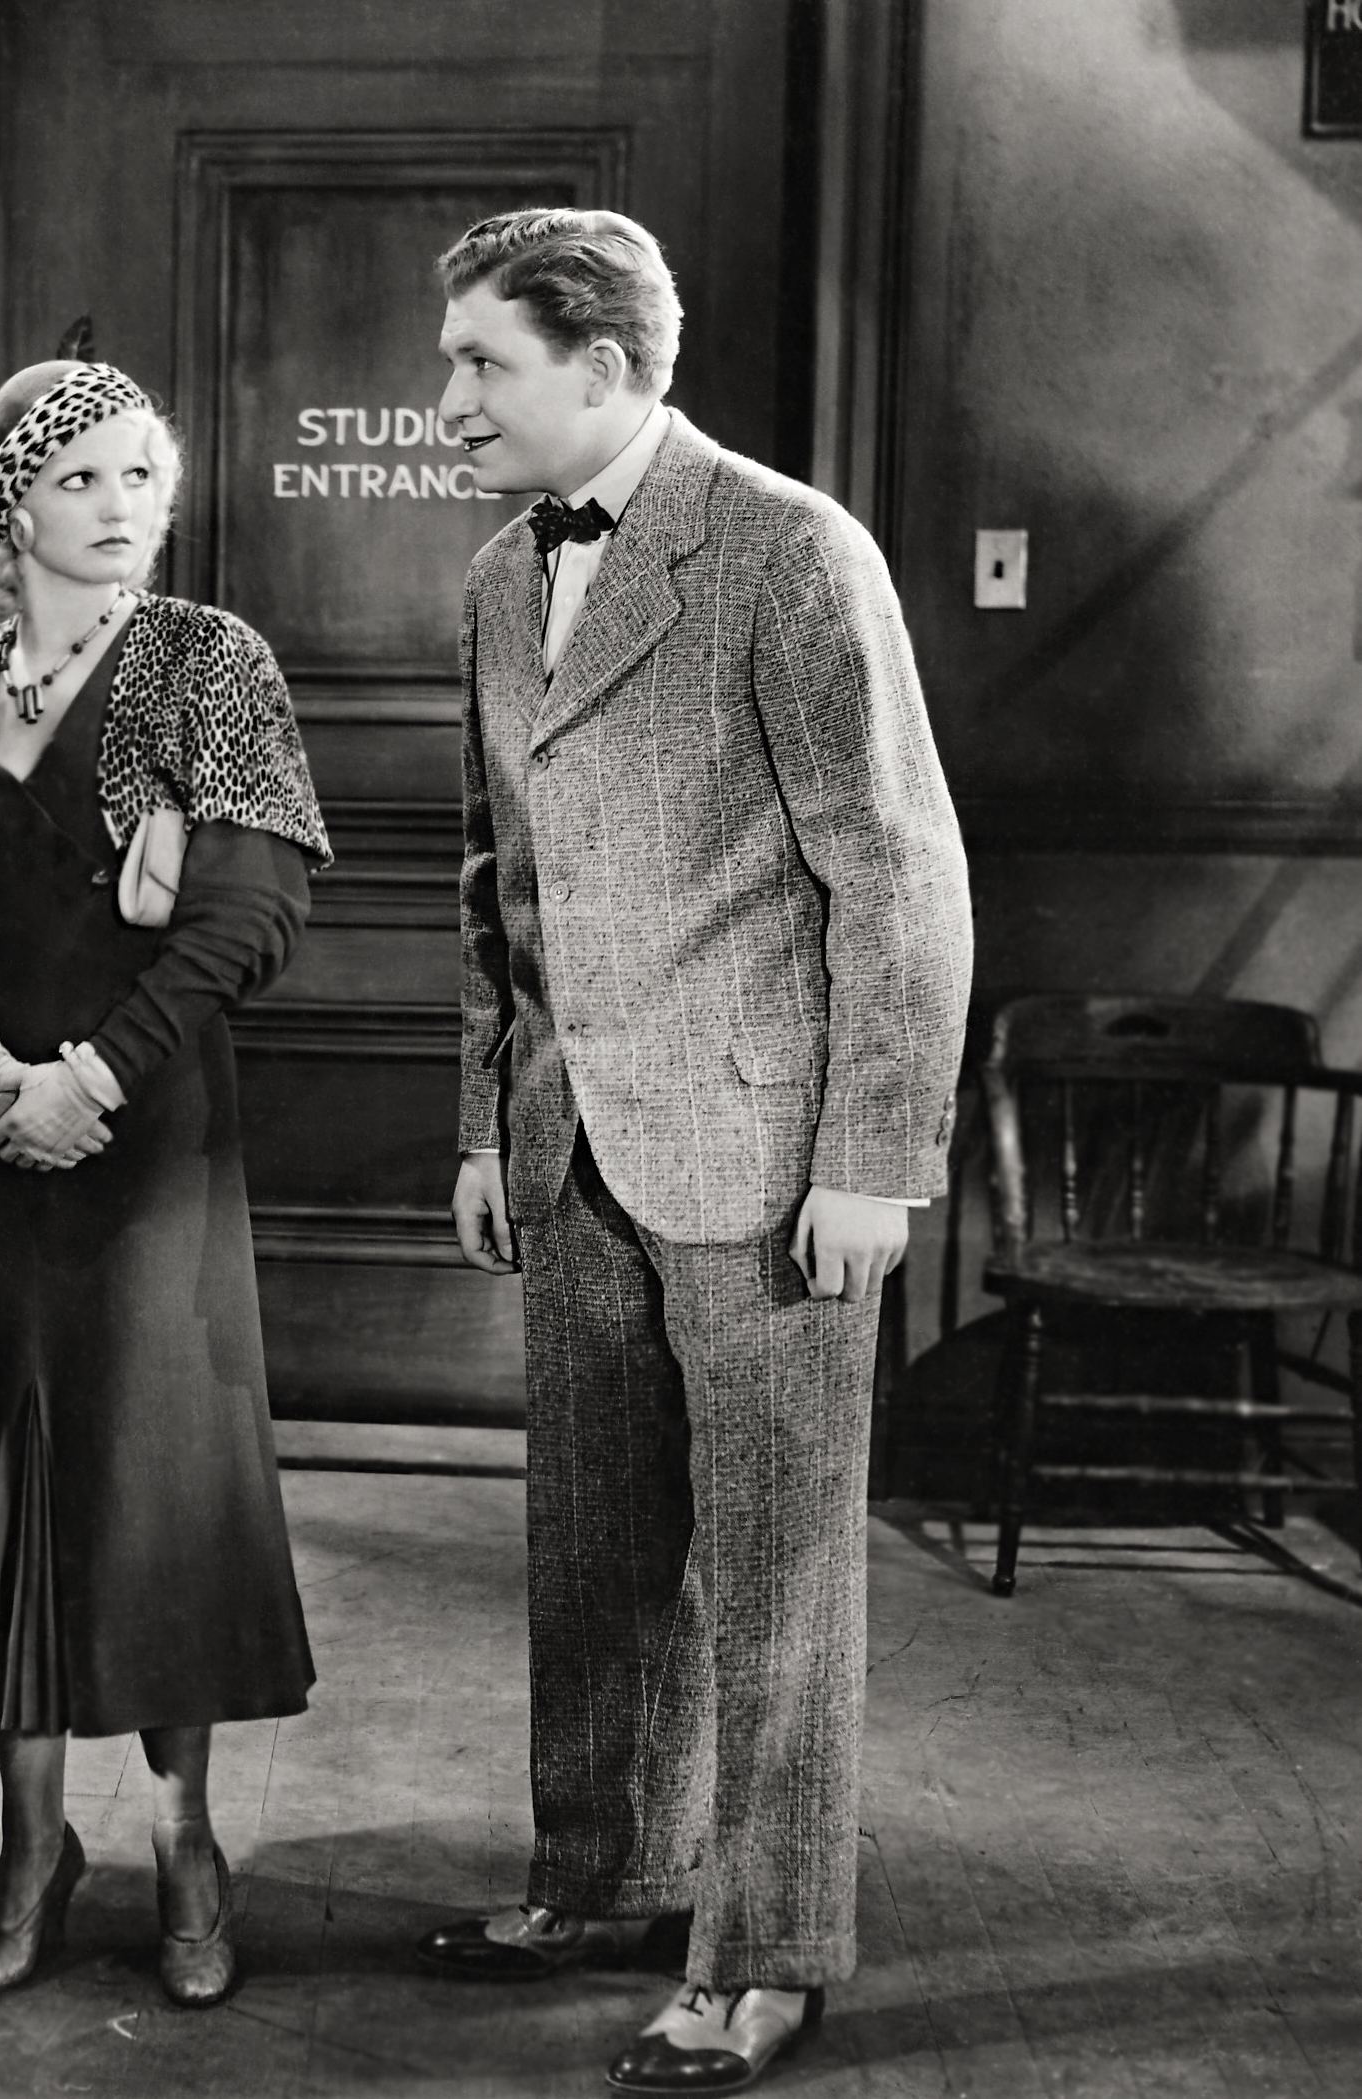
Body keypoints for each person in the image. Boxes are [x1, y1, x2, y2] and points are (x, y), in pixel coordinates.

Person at [426, 208, 971, 2093]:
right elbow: (492, 885)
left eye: (479, 362)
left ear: (598, 365)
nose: (447, 400)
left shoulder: (788, 547)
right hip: (568, 1145)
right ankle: (598, 1875)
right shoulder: (498, 577)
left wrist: (872, 1155)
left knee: (771, 1580)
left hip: (766, 1159)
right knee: (590, 1553)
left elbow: (894, 875)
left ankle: (763, 1950)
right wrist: (486, 1120)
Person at [0, 361, 330, 2010]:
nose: (121, 504)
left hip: (144, 1145)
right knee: (4, 1485)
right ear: (9, 509)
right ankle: (28, 1843)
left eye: (141, 475)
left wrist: (90, 1079)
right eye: (80, 478)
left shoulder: (208, 660)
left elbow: (249, 914)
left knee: (152, 1490)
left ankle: (184, 1842)